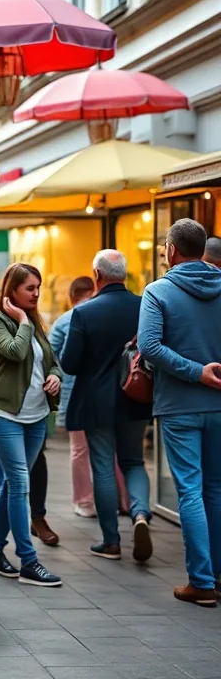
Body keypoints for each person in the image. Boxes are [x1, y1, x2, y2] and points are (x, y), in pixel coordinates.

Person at [138, 219, 221, 606]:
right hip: (219, 404)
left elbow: (149, 346)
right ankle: (216, 574)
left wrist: (195, 372)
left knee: (189, 490)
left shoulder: (158, 291)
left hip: (179, 406)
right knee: (216, 490)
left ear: (171, 250)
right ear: (202, 250)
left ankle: (202, 582)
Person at [61, 251, 153, 562]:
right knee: (134, 461)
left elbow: (69, 364)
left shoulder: (85, 312)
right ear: (124, 275)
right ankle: (140, 513)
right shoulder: (145, 306)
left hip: (96, 402)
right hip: (136, 395)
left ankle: (111, 541)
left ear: (97, 275)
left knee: (102, 465)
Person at [0, 263, 63, 587]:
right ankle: (28, 561)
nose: (36, 293)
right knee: (20, 483)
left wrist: (55, 376)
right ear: (12, 290)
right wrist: (24, 321)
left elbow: (52, 361)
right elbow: (14, 352)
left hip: (36, 415)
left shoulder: (36, 321)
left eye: (38, 287)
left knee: (12, 484)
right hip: (4, 414)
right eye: (30, 288)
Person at [48, 277, 128, 519]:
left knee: (83, 451)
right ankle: (123, 501)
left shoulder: (65, 321)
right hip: (103, 393)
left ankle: (87, 502)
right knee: (107, 450)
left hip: (79, 396)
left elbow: (51, 358)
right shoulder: (101, 315)